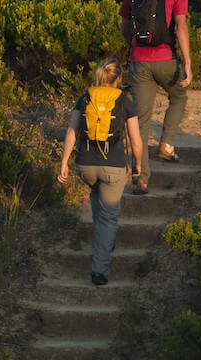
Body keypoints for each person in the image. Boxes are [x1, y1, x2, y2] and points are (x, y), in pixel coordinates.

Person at [58, 58, 146, 285]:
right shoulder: (125, 101)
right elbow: (136, 140)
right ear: (118, 79)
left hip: (85, 165)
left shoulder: (85, 98)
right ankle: (99, 271)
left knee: (98, 201)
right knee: (108, 218)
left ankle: (104, 243)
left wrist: (64, 162)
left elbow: (72, 130)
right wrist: (138, 166)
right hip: (113, 167)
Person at [120, 0, 191, 193]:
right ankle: (166, 144)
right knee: (179, 96)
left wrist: (133, 46)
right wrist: (188, 64)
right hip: (166, 60)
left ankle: (141, 178)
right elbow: (181, 28)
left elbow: (125, 26)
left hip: (140, 61)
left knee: (140, 121)